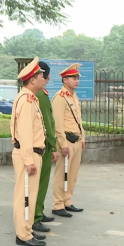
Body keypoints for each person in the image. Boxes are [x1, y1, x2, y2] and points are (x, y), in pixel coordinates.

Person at [11, 56, 47, 246]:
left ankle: (27, 230)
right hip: (29, 154)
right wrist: (28, 160)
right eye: (41, 75)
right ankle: (23, 235)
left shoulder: (30, 99)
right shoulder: (26, 100)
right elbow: (24, 134)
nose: (43, 78)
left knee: (29, 195)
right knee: (24, 196)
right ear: (32, 79)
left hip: (33, 153)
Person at [52, 63, 86, 217]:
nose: (77, 80)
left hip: (77, 140)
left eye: (78, 77)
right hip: (66, 141)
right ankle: (57, 204)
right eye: (73, 78)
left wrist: (83, 138)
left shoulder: (74, 96)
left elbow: (78, 120)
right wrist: (63, 144)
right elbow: (58, 124)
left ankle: (67, 201)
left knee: (72, 173)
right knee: (61, 174)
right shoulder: (60, 98)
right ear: (65, 80)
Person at [32, 61, 60, 233]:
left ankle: (39, 213)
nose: (43, 78)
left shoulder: (41, 94)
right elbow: (47, 123)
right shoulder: (41, 95)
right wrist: (53, 145)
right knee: (40, 183)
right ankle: (35, 216)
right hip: (43, 145)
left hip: (43, 144)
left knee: (42, 182)